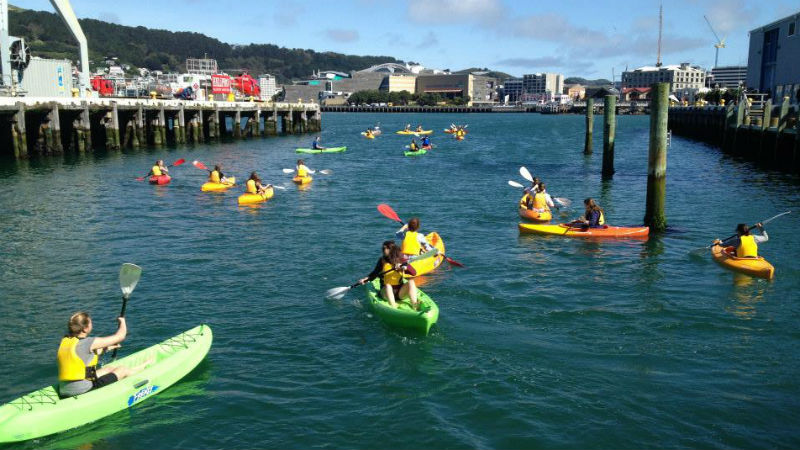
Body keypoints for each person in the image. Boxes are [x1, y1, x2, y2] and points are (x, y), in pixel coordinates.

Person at [58, 312, 152, 398]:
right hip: (82, 389)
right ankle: (143, 371)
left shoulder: (67, 341)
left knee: (108, 369)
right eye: (90, 322)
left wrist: (107, 348)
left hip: (65, 389)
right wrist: (122, 322)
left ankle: (138, 369)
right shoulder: (89, 342)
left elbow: (84, 355)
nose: (92, 324)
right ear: (85, 328)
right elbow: (120, 336)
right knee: (122, 370)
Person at [358, 241, 419, 309]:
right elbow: (375, 273)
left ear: (392, 249)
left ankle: (415, 305)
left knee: (411, 282)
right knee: (388, 285)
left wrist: (405, 267)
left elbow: (414, 273)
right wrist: (365, 279)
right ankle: (394, 307)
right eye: (383, 248)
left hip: (399, 293)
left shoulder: (401, 260)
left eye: (386, 248)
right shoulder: (382, 260)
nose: (384, 250)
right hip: (386, 292)